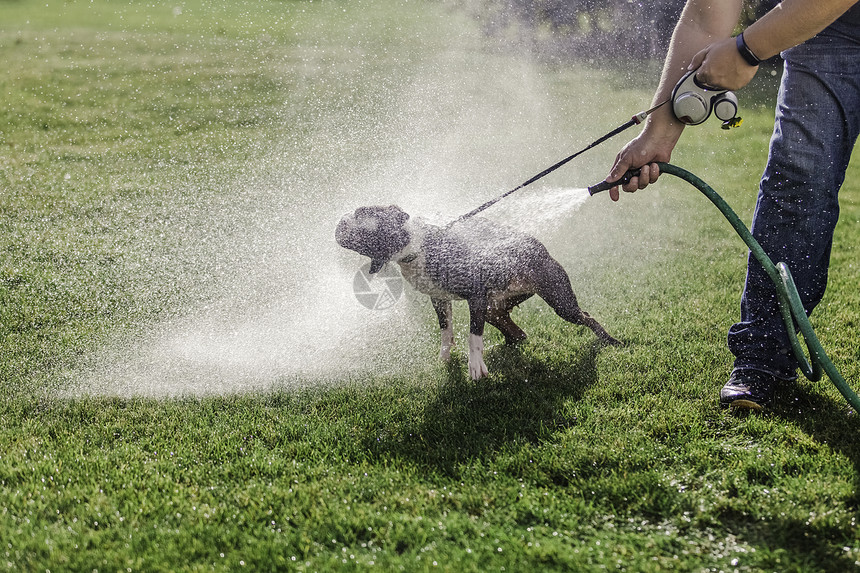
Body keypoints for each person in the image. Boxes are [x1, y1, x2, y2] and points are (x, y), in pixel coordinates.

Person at [606, 0, 860, 410]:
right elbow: (708, 16)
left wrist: (746, 50)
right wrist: (658, 135)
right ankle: (764, 358)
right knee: (797, 176)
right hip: (826, 31)